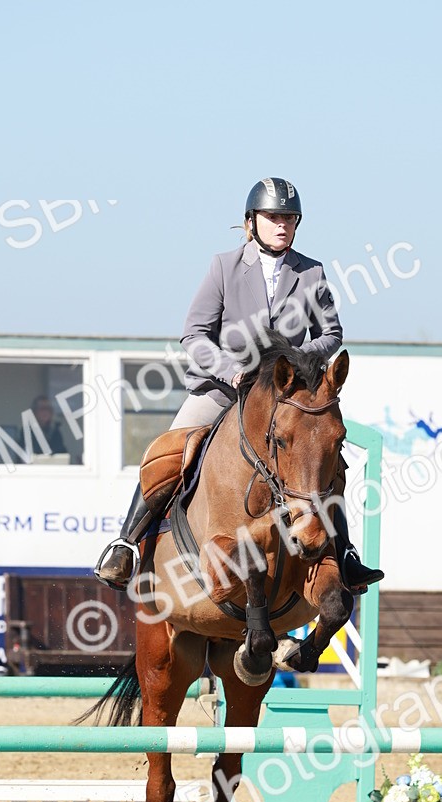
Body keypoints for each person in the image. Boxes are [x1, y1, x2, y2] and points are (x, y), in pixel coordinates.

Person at [94, 177, 383, 591]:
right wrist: (231, 369)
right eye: (273, 217)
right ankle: (127, 544)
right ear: (252, 221)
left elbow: (332, 335)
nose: (281, 224)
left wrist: (301, 361)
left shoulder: (311, 271)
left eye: (288, 217)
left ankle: (346, 553)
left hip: (283, 396)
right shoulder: (224, 267)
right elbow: (194, 334)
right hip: (222, 391)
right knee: (168, 452)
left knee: (323, 460)